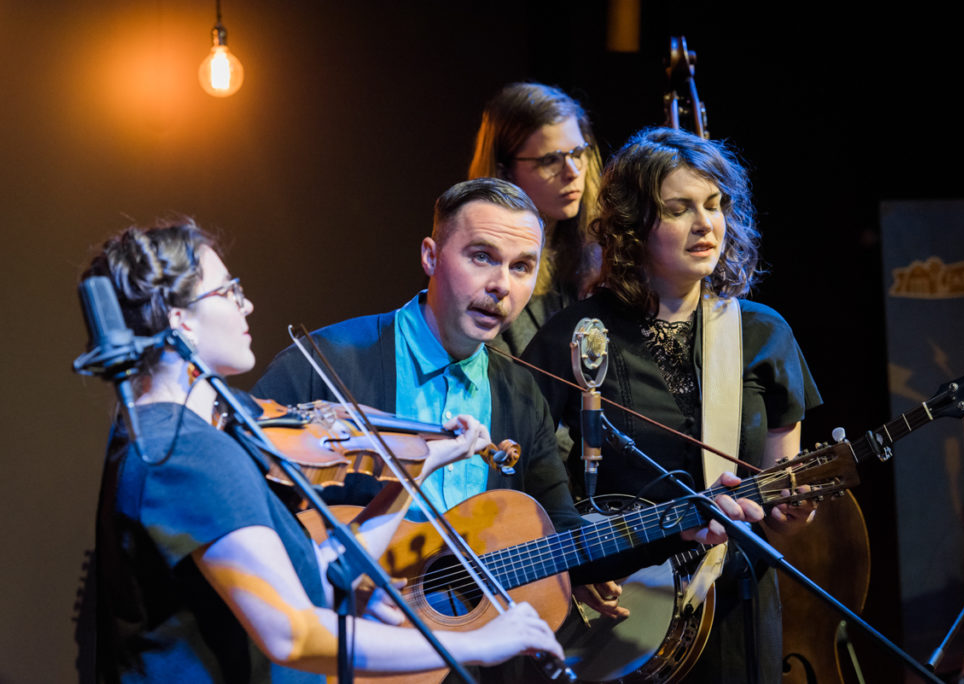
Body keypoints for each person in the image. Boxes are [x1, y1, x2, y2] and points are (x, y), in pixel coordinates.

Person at [252, 178, 763, 677]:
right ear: (431, 256)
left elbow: (563, 540)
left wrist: (678, 529)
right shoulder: (329, 361)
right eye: (481, 257)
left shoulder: (519, 391)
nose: (501, 285)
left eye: (522, 267)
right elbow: (242, 494)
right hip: (339, 651)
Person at [84, 219, 565, 683]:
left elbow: (320, 574)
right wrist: (478, 643)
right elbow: (292, 632)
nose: (246, 305)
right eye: (228, 292)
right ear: (178, 320)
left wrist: (415, 469)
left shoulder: (171, 437)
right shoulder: (183, 452)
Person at [522, 127, 823, 684]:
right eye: (679, 209)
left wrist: (793, 512)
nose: (705, 224)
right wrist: (572, 567)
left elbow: (781, 506)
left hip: (737, 612)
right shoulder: (577, 336)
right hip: (621, 618)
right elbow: (522, 478)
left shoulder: (765, 336)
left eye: (714, 205)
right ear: (633, 228)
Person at [468, 82, 603, 355]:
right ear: (505, 172)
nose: (573, 172)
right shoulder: (477, 267)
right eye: (550, 160)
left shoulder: (595, 252)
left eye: (578, 154)